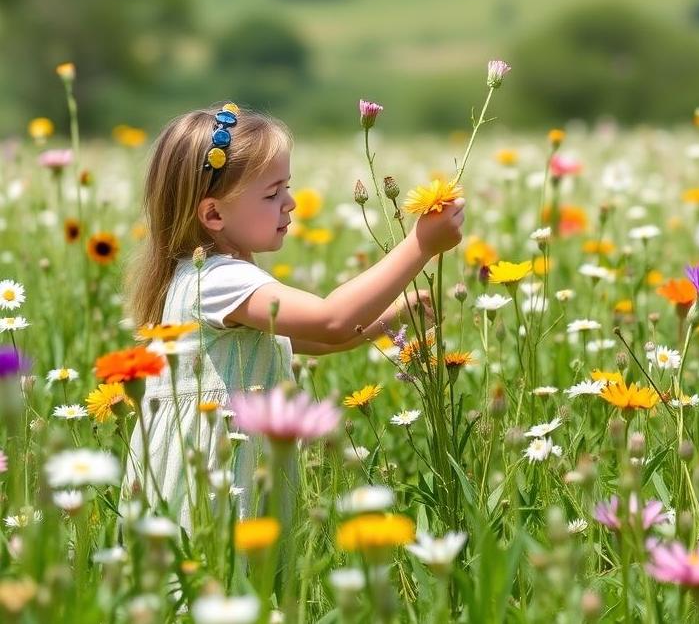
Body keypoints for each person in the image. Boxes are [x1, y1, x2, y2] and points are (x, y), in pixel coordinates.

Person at [123, 103, 464, 529]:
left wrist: (394, 317)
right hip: (208, 490)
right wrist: (420, 246)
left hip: (229, 474)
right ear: (213, 214)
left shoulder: (213, 279)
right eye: (272, 194)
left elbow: (322, 341)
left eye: (287, 187)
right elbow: (330, 321)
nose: (291, 203)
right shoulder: (215, 281)